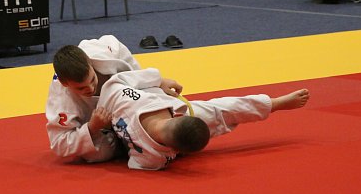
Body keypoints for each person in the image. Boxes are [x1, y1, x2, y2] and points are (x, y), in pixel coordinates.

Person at [97, 68, 310, 170]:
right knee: (224, 109)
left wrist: (158, 80)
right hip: (159, 107)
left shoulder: (132, 102)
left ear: (177, 116)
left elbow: (115, 83)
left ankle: (275, 103)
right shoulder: (153, 157)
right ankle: (274, 103)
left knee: (221, 110)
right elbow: (134, 163)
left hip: (146, 104)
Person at [46, 36, 183, 163]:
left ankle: (170, 129)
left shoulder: (101, 50)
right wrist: (92, 127)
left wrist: (156, 81)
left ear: (90, 63)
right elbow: (59, 143)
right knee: (96, 154)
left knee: (164, 100)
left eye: (92, 79)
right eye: (81, 88)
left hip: (127, 101)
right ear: (65, 84)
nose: (91, 88)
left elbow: (117, 48)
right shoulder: (61, 100)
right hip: (102, 131)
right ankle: (127, 143)